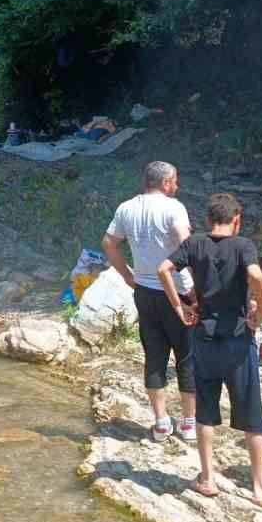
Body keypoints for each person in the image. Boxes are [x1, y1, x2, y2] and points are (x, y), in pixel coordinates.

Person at [158, 193, 262, 507]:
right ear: (237, 219)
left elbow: (163, 268)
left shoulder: (195, 243)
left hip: (204, 337)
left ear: (208, 219)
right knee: (251, 413)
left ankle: (207, 479)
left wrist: (180, 306)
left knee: (205, 411)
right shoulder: (243, 245)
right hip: (238, 338)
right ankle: (260, 487)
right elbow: (256, 275)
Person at [103, 160, 197, 442]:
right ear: (166, 183)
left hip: (144, 290)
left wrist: (127, 275)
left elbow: (108, 243)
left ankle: (161, 423)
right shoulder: (173, 207)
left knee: (154, 356)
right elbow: (186, 244)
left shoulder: (126, 208)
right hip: (177, 291)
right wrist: (196, 286)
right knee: (187, 355)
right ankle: (189, 423)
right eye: (175, 181)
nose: (177, 185)